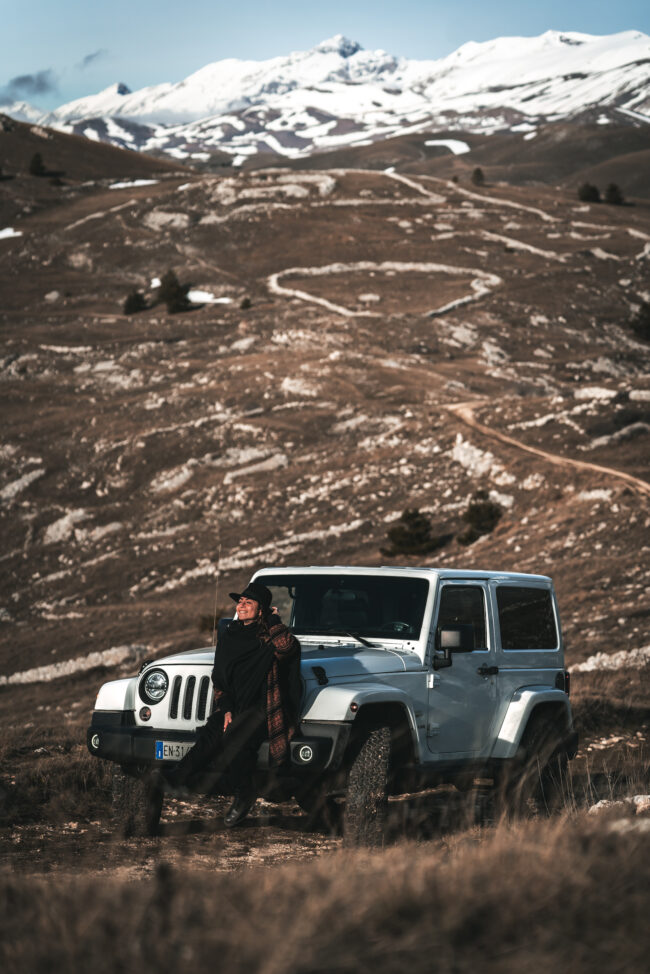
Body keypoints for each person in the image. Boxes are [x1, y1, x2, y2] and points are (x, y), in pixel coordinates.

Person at [162, 581, 301, 827]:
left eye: (249, 602)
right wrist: (225, 708)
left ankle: (244, 794)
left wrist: (272, 620)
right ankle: (177, 778)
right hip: (234, 704)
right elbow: (220, 679)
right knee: (211, 733)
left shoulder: (268, 637)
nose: (242, 605)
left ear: (261, 610)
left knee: (235, 737)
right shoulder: (230, 636)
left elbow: (287, 646)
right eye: (240, 601)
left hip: (264, 706)